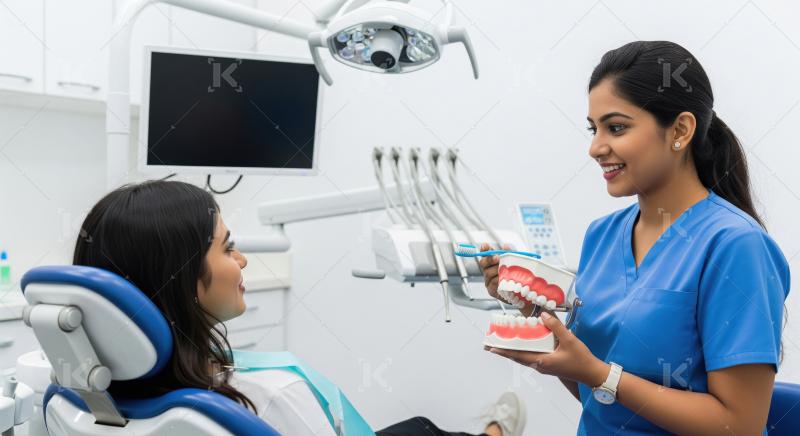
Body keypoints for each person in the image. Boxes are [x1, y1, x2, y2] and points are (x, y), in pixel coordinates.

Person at [481, 41, 790, 435]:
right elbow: (600, 398)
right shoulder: (602, 236)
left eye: (616, 127)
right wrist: (538, 322)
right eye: (594, 130)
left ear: (680, 130)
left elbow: (740, 425)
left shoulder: (735, 246)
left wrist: (600, 373)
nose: (595, 148)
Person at [73, 180, 526, 436]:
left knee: (418, 428)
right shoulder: (270, 396)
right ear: (185, 278)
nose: (243, 260)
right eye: (227, 248)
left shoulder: (91, 395)